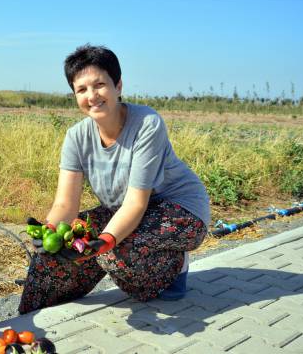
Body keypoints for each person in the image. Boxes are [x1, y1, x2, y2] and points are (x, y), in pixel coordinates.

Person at [18, 44, 210, 314]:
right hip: (126, 212)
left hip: (180, 210)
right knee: (52, 256)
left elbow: (136, 203)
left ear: (118, 86)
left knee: (112, 252)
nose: (92, 96)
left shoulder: (147, 123)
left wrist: (106, 240)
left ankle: (174, 265)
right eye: (81, 89)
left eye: (100, 85)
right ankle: (26, 323)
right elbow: (65, 205)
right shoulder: (76, 137)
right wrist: (49, 231)